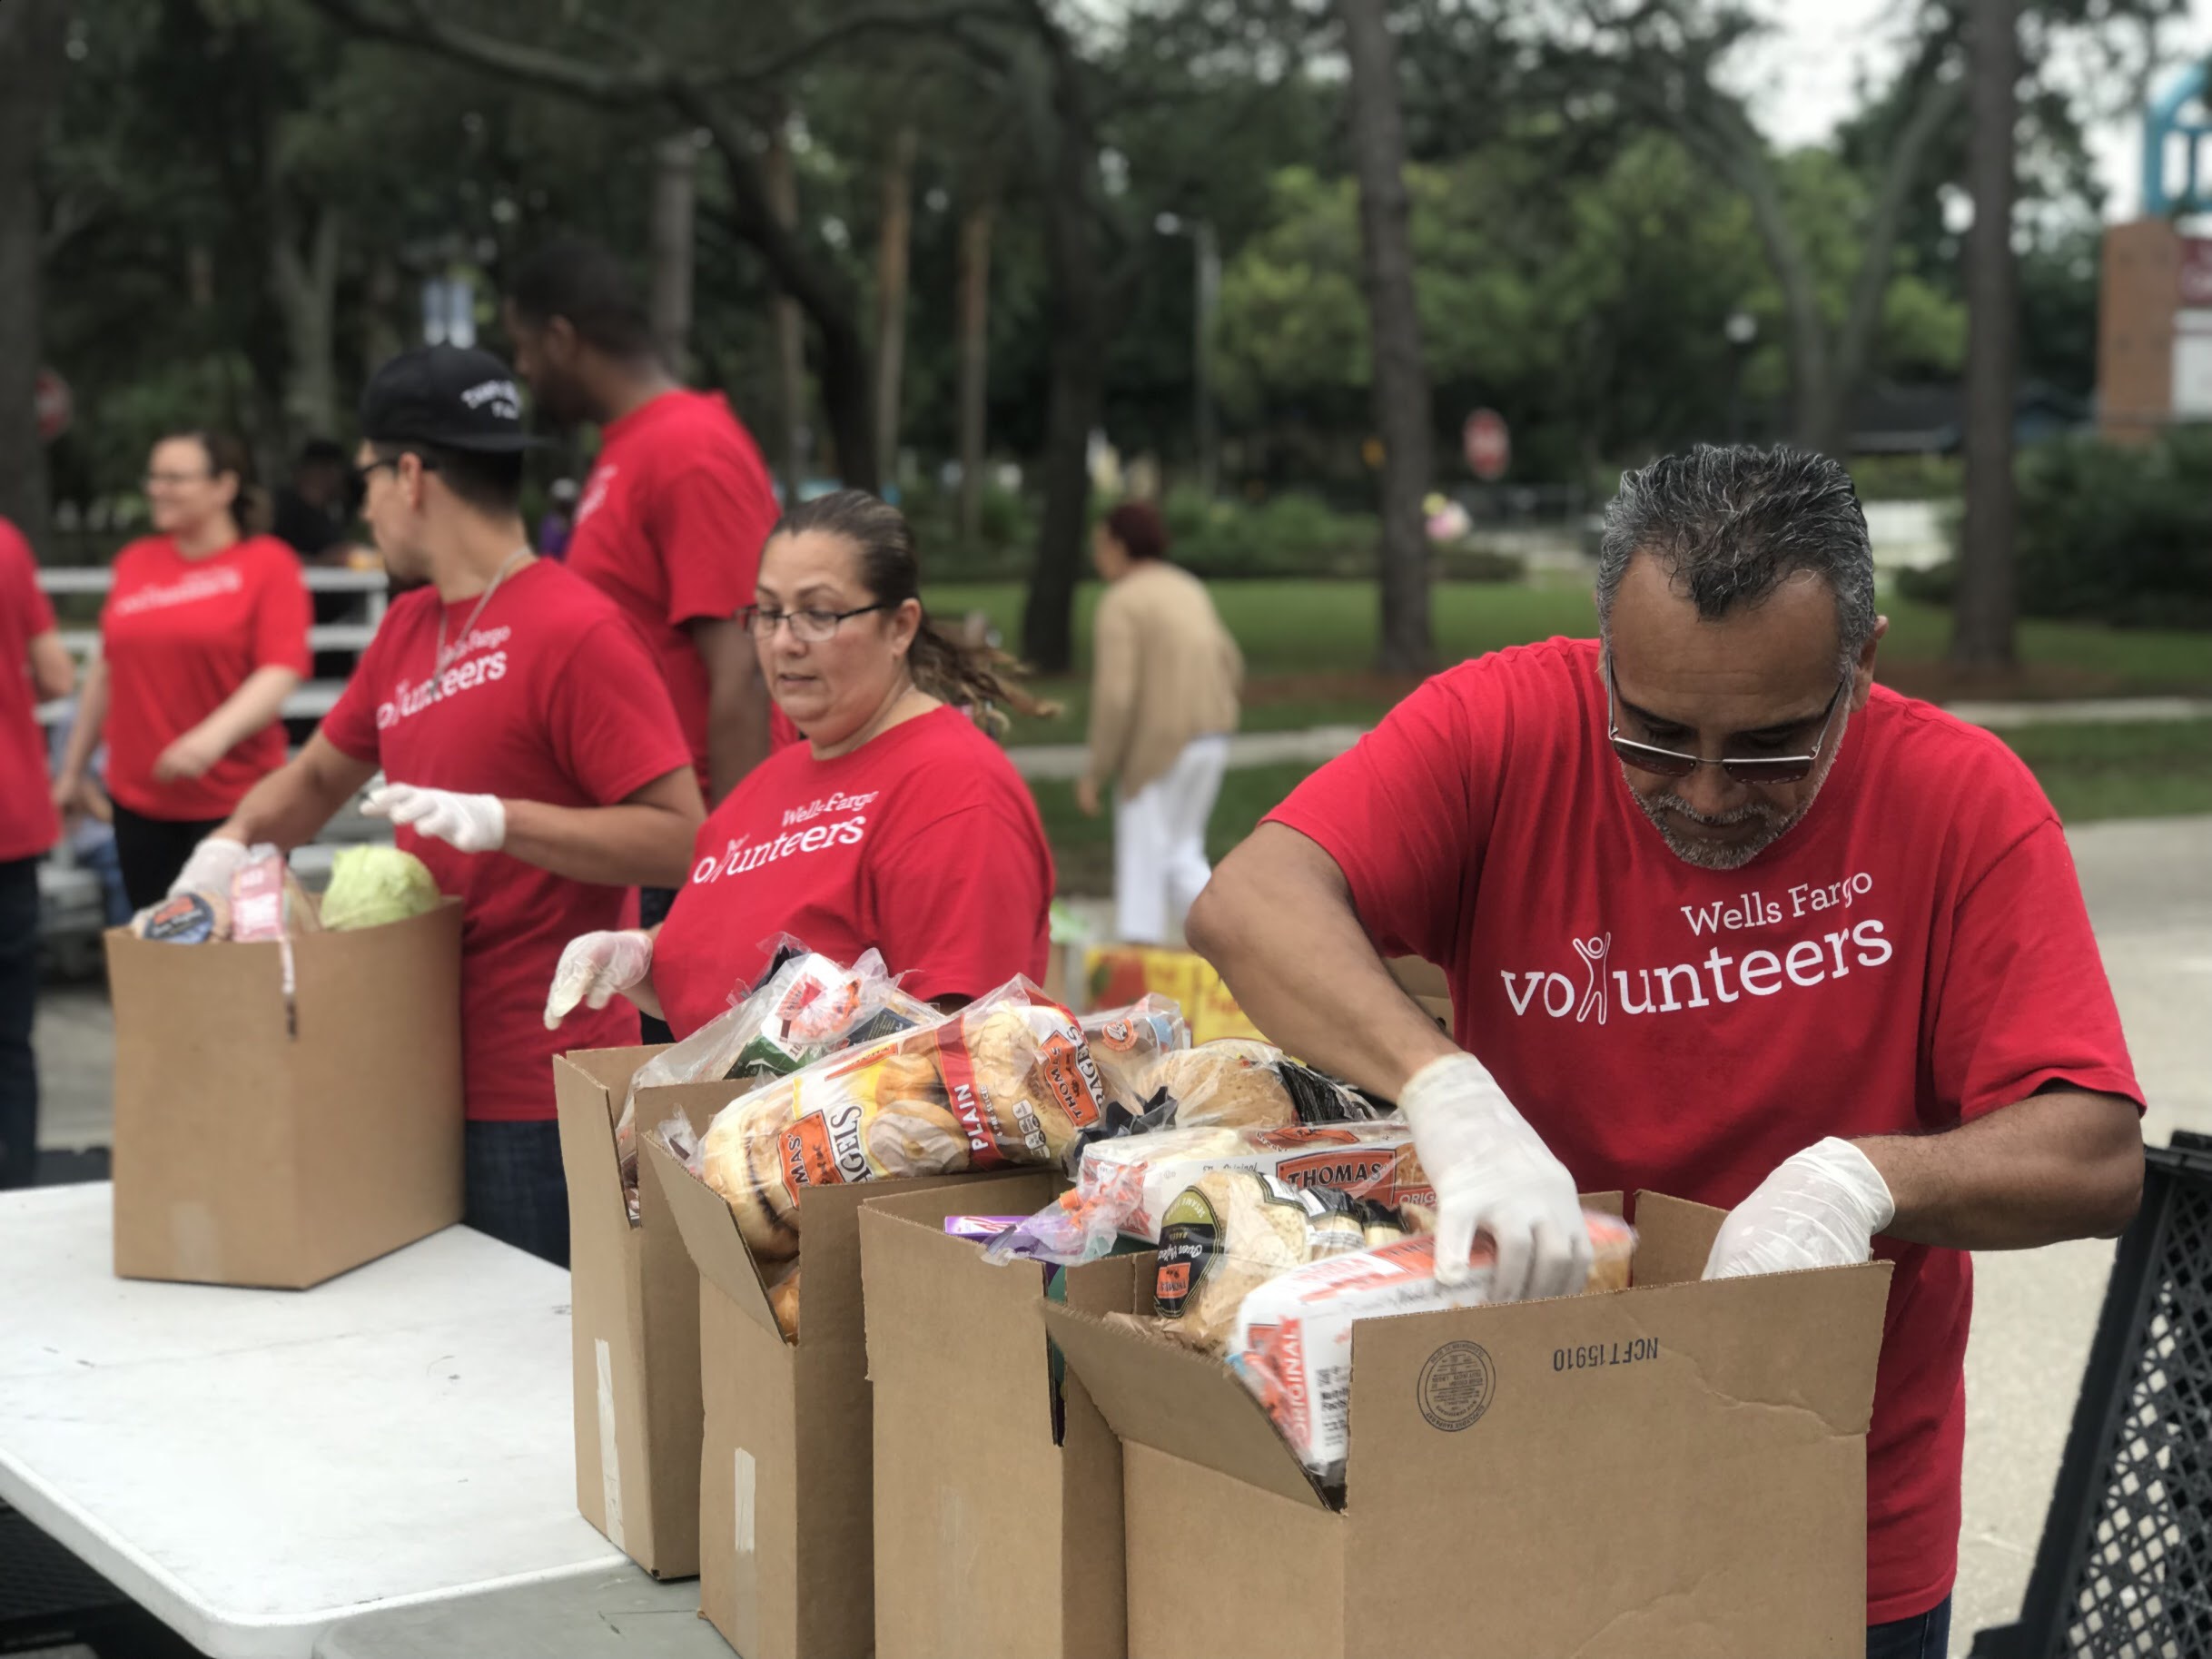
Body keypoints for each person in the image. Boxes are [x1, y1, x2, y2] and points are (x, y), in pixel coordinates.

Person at [1185, 445, 2144, 1658]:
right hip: (1513, 1462)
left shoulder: (1965, 803)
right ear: (1605, 654)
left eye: (1770, 747)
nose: (1702, 790)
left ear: (1865, 661)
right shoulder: (1502, 725)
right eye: (1653, 732)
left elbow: (2095, 1145)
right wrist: (1447, 1090)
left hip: (1827, 1502)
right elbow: (1253, 901)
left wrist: (1866, 1180)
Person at [181, 345, 704, 1264]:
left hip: (534, 1088)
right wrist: (221, 852)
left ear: (410, 474)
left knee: (528, 1383)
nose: (364, 503)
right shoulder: (406, 626)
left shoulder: (575, 628)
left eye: (367, 476)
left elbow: (681, 839)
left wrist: (507, 822)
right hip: (406, 1068)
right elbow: (312, 782)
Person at [543, 489, 1053, 1039]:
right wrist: (643, 955)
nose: (785, 642)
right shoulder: (769, 783)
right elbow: (722, 972)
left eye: (819, 614)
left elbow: (969, 1049)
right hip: (720, 1120)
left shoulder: (954, 791)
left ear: (901, 627)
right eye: (768, 612)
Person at [503, 238, 781, 809]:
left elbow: (746, 668)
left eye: (524, 348)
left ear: (561, 339)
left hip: (690, 839)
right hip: (643, 838)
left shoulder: (688, 449)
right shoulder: (628, 447)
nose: (522, 369)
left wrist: (730, 870)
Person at [52, 432, 311, 912]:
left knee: (241, 958)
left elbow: (281, 669)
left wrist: (210, 737)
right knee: (158, 949)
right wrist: (71, 769)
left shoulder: (266, 563)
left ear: (224, 487)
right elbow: (106, 671)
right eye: (153, 477)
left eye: (175, 478)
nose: (157, 489)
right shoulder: (136, 561)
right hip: (139, 802)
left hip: (238, 805)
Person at [1074, 500, 1242, 944]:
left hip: (1157, 750)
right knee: (1183, 855)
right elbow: (1231, 661)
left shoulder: (1122, 602)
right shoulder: (1187, 587)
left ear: (1117, 545)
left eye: (1100, 545)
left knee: (1143, 866)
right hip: (1211, 737)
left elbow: (1115, 696)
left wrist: (1097, 770)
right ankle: (1235, 943)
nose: (1096, 556)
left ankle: (1137, 977)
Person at [1, 516, 75, 1189]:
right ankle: (12, 1199)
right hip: (11, 813)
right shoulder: (6, 542)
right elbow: (56, 674)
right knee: (9, 1038)